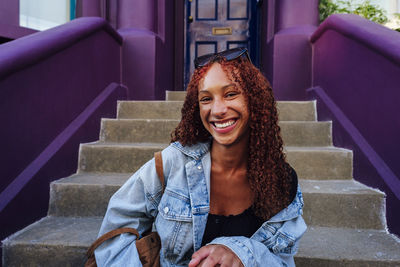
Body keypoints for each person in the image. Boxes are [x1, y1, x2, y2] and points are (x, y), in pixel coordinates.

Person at [94, 47, 307, 267]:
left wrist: (241, 252)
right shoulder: (172, 163)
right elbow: (116, 229)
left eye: (231, 94)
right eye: (206, 99)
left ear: (255, 100)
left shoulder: (281, 181)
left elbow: (281, 260)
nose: (217, 110)